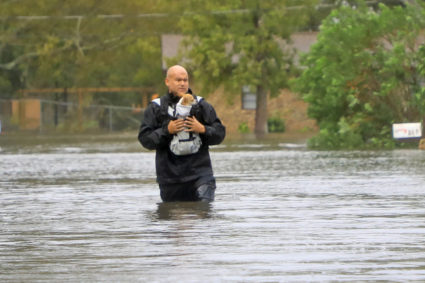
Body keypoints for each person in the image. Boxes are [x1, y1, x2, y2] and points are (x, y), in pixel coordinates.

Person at [138, 65, 226, 202]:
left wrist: (202, 129)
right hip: (170, 179)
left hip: (200, 175)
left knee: (203, 213)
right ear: (167, 82)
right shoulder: (156, 107)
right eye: (178, 80)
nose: (182, 83)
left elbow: (220, 134)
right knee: (172, 217)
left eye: (185, 80)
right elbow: (145, 140)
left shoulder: (201, 105)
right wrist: (167, 130)